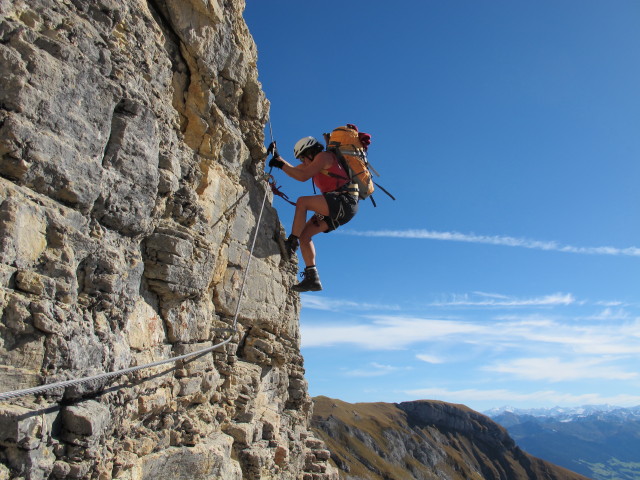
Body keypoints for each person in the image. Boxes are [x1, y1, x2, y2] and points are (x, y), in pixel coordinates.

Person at [267, 136, 359, 292]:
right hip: (340, 206)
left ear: (310, 151)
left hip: (344, 200)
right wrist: (278, 158)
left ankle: (291, 244)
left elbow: (302, 176)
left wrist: (280, 165)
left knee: (303, 202)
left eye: (303, 157)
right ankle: (312, 277)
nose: (302, 161)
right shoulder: (314, 162)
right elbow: (296, 171)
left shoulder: (324, 157)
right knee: (305, 235)